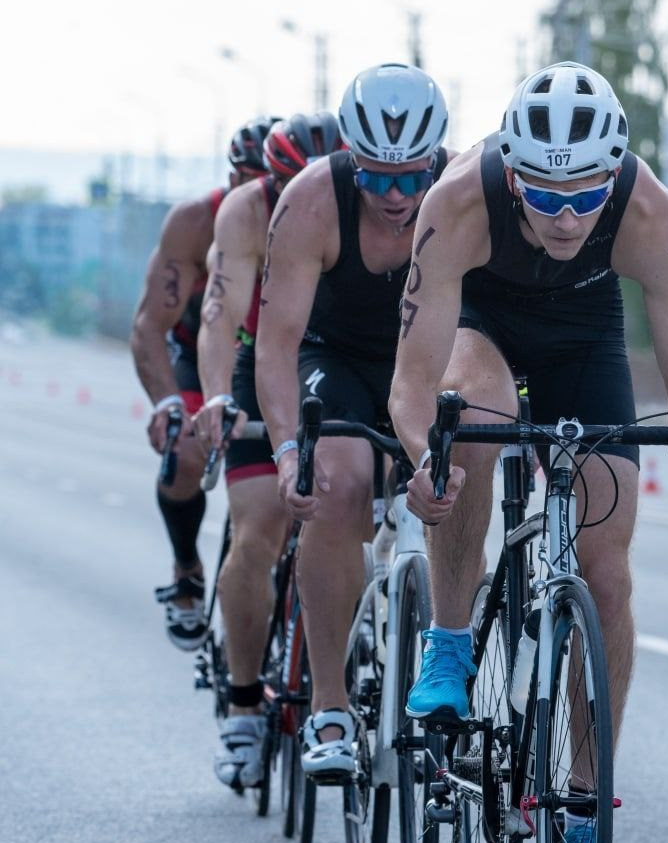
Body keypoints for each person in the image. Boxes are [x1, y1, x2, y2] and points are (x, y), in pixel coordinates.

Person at [388, 61, 668, 843]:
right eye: (544, 197)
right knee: (466, 420)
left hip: (585, 339)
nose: (569, 214)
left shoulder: (651, 213)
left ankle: (584, 819)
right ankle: (451, 642)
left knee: (607, 576)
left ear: (615, 171)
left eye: (587, 194)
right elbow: (411, 380)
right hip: (486, 327)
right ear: (514, 173)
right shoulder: (462, 199)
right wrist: (421, 458)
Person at [255, 62, 453, 780]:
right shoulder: (312, 202)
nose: (397, 198)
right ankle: (331, 706)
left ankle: (446, 664)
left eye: (413, 178)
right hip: (332, 357)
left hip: (424, 362)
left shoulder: (459, 196)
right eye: (378, 179)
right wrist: (286, 453)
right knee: (337, 486)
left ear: (436, 161)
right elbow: (275, 346)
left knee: (456, 484)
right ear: (352, 162)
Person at [194, 113, 347, 790]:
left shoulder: (362, 203)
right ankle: (246, 704)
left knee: (351, 517)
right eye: (285, 181)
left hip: (341, 361)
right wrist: (214, 398)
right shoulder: (245, 214)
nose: (300, 193)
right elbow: (220, 317)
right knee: (257, 529)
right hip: (262, 366)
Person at [130, 116, 279, 650]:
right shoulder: (196, 223)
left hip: (276, 359)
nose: (263, 197)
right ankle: (188, 567)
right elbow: (150, 325)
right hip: (202, 354)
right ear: (232, 178)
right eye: (250, 181)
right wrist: (167, 402)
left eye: (278, 183)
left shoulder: (314, 215)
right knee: (188, 451)